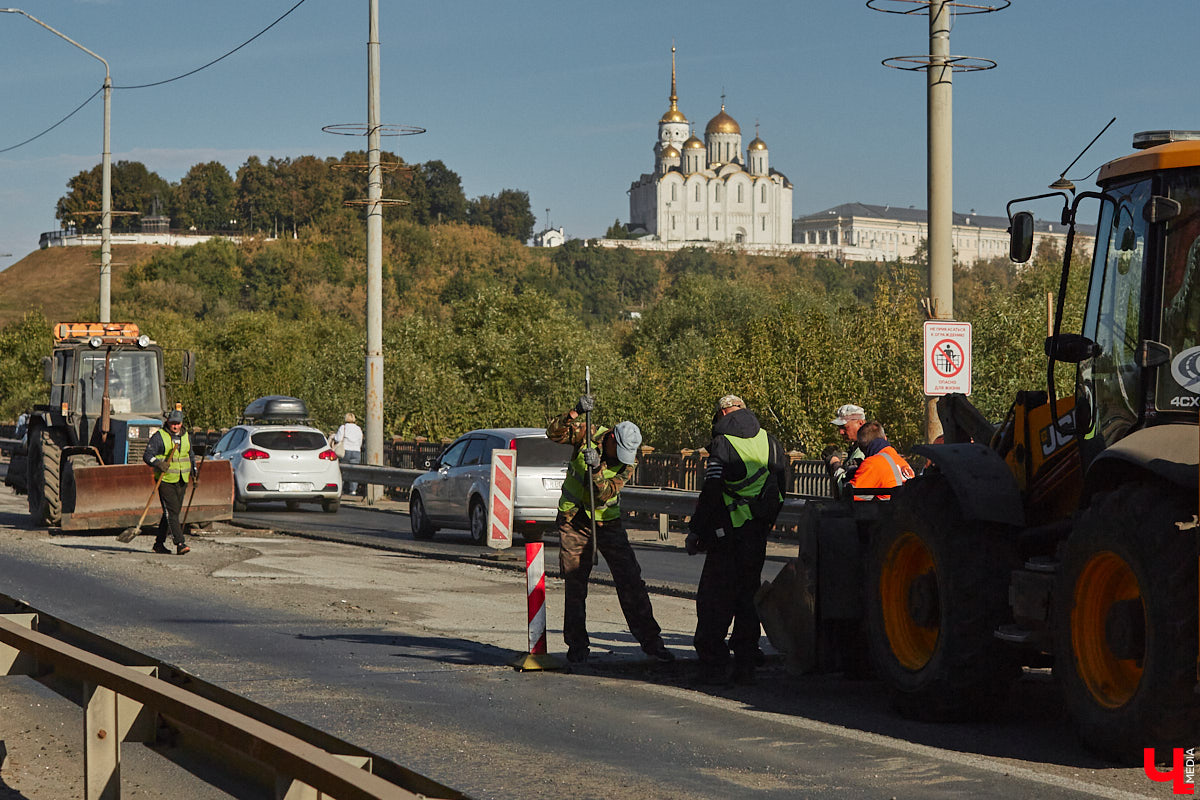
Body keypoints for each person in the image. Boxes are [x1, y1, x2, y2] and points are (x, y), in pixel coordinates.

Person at [547, 395, 673, 665]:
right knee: (575, 583)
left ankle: (652, 643)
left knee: (631, 581)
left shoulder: (629, 462)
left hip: (608, 523)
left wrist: (595, 468)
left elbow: (603, 494)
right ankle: (577, 647)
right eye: (620, 451)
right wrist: (575, 412)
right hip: (573, 520)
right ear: (612, 438)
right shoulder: (588, 433)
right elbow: (553, 433)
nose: (625, 459)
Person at [685, 394, 791, 686]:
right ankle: (745, 664)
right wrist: (765, 523)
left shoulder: (723, 441)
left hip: (726, 533)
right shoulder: (769, 440)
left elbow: (713, 489)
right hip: (756, 533)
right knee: (747, 598)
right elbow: (780, 487)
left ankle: (713, 665)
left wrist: (697, 531)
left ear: (721, 414)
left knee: (714, 600)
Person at [142, 409, 195, 555]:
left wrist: (194, 469)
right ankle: (180, 543)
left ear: (181, 423)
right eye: (173, 423)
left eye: (177, 424)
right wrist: (158, 464)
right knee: (171, 512)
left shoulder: (186, 436)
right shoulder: (160, 437)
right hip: (165, 480)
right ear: (168, 422)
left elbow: (190, 454)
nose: (175, 426)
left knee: (172, 514)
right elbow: (147, 455)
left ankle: (158, 544)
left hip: (182, 479)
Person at [849, 421, 915, 501]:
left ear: (861, 447)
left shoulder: (872, 463)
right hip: (907, 511)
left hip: (888, 512)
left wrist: (839, 471)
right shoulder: (902, 462)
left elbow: (850, 496)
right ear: (885, 438)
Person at [822, 403, 867, 499]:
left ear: (860, 423)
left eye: (844, 427)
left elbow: (847, 488)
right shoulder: (856, 448)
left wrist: (835, 463)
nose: (841, 432)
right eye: (839, 428)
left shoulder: (864, 451)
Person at [332, 413, 363, 496]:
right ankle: (353, 490)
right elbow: (360, 441)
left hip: (345, 450)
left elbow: (338, 438)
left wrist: (333, 436)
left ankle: (340, 489)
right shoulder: (358, 429)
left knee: (342, 470)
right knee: (354, 472)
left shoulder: (343, 427)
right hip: (356, 451)